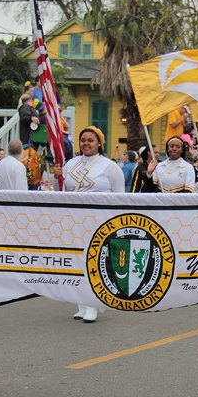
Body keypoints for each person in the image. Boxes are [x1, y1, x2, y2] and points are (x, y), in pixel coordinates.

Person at [56, 127, 124, 322]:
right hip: (74, 222)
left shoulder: (109, 166)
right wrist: (56, 177)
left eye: (91, 140)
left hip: (99, 222)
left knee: (94, 263)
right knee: (77, 264)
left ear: (99, 143)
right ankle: (81, 304)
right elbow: (60, 193)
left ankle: (94, 305)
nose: (86, 143)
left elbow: (120, 198)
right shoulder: (71, 163)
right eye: (83, 140)